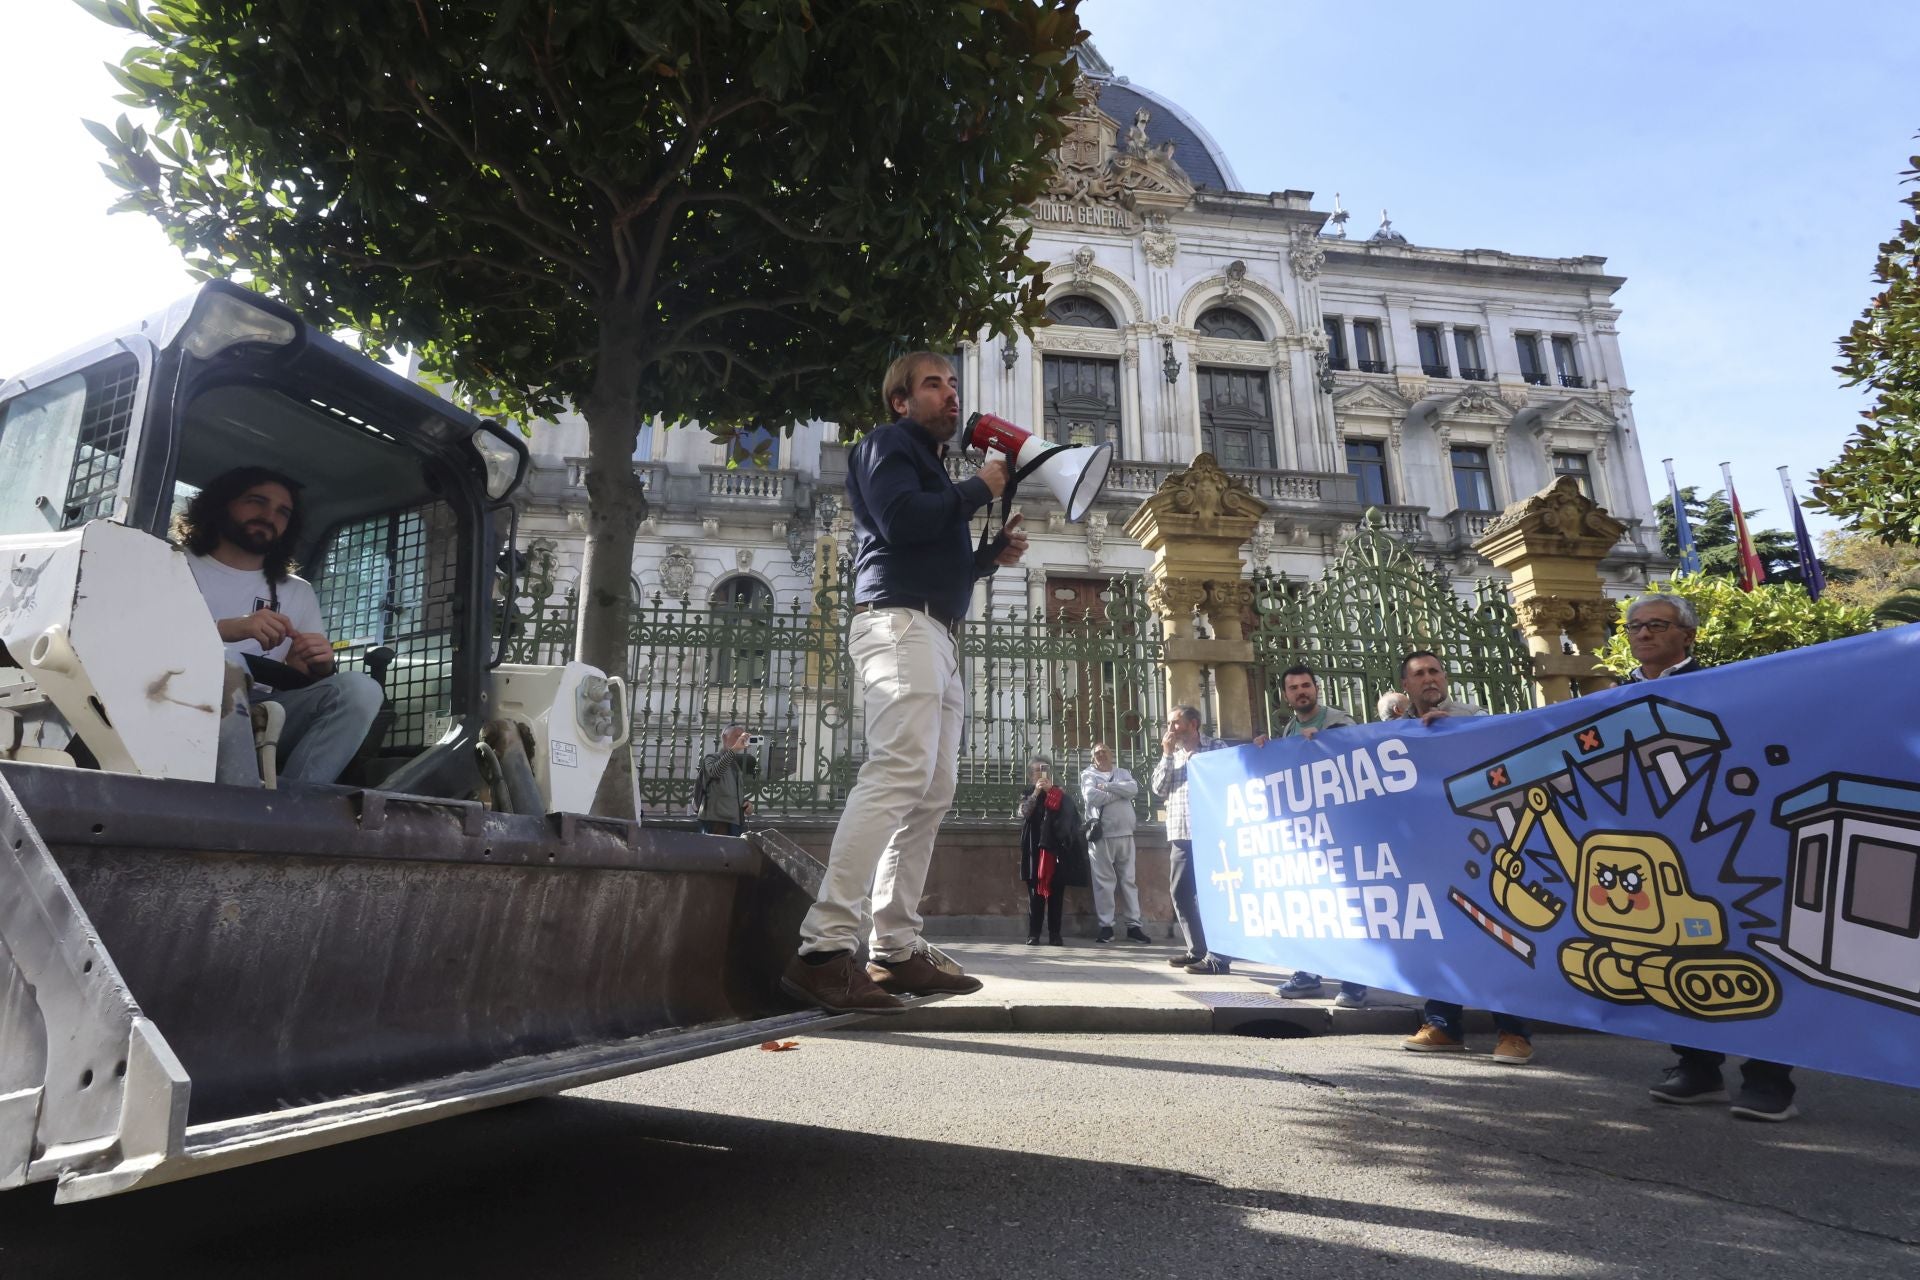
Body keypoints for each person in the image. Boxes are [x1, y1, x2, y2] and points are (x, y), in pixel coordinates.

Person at [781, 352, 1027, 1014]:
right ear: (899, 401)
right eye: (933, 384)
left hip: (934, 630)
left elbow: (927, 545)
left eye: (952, 383)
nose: (950, 394)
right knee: (897, 774)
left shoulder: (931, 467)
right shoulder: (885, 445)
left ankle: (894, 950)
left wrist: (985, 559)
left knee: (933, 789)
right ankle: (824, 951)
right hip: (899, 628)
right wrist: (980, 486)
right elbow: (900, 522)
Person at [1624, 592, 1798, 1121]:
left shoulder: (1724, 688)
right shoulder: (1610, 698)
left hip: (1730, 840)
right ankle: (1697, 1067)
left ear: (1687, 636)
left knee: (1755, 948)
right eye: (1634, 626)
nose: (1644, 634)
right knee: (1679, 954)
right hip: (1661, 851)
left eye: (1656, 624)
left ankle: (1770, 1077)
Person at [177, 466, 383, 787]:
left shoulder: (296, 591)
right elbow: (143, 641)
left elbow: (299, 674)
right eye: (256, 501)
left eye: (282, 512)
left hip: (261, 716)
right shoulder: (172, 561)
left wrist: (321, 664)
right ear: (221, 504)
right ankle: (236, 793)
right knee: (229, 663)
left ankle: (294, 804)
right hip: (177, 706)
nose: (268, 515)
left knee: (361, 689)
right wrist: (229, 629)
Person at [1392, 650, 1535, 1065]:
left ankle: (1513, 1031)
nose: (1429, 679)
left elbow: (1505, 749)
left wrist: (1457, 730)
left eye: (1435, 671)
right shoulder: (1395, 731)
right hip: (1430, 852)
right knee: (1442, 940)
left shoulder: (1475, 715)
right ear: (1406, 685)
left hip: (1482, 847)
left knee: (1494, 939)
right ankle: (1442, 1026)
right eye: (1419, 674)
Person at [1268, 665, 1369, 1008]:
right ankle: (1309, 972)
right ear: (1286, 695)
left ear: (1317, 688)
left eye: (1306, 685)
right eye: (1294, 687)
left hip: (1342, 828)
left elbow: (1357, 759)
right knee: (1309, 902)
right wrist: (1264, 751)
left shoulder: (1340, 722)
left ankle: (1355, 979)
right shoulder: (1288, 729)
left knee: (1348, 904)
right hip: (1307, 832)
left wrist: (1325, 745)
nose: (1301, 692)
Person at [1152, 705, 1235, 975]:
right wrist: (1166, 755)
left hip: (1212, 833)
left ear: (1194, 723)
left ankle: (1219, 956)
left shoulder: (1216, 747)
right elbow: (1158, 788)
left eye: (1176, 723)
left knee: (1215, 894)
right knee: (1181, 892)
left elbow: (1230, 777)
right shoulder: (1172, 755)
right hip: (1180, 832)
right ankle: (1197, 949)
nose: (1171, 728)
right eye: (1169, 723)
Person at [1080, 743, 1150, 944]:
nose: (1101, 755)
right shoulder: (1088, 775)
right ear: (1093, 758)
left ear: (1111, 754)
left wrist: (1108, 787)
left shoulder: (1122, 772)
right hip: (1101, 836)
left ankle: (1134, 926)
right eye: (1097, 753)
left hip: (1126, 834)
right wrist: (1120, 792)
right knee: (1103, 883)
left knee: (1129, 881)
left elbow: (1134, 788)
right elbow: (1091, 796)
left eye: (1105, 751)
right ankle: (1106, 926)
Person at [1018, 756, 1085, 946]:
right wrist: (1037, 794)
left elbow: (1072, 820)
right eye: (1036, 771)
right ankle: (1034, 934)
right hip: (1034, 851)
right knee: (1035, 896)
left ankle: (1055, 934)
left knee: (1056, 895)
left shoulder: (1061, 796)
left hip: (1056, 852)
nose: (1040, 774)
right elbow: (1023, 813)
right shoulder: (1028, 793)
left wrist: (1051, 795)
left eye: (1044, 769)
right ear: (1031, 776)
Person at [696, 723, 757, 835]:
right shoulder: (711, 758)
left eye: (741, 736)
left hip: (734, 822)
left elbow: (731, 791)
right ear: (724, 737)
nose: (740, 739)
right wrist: (734, 749)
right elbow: (715, 772)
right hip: (716, 820)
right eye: (736, 736)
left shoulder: (735, 765)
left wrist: (746, 804)